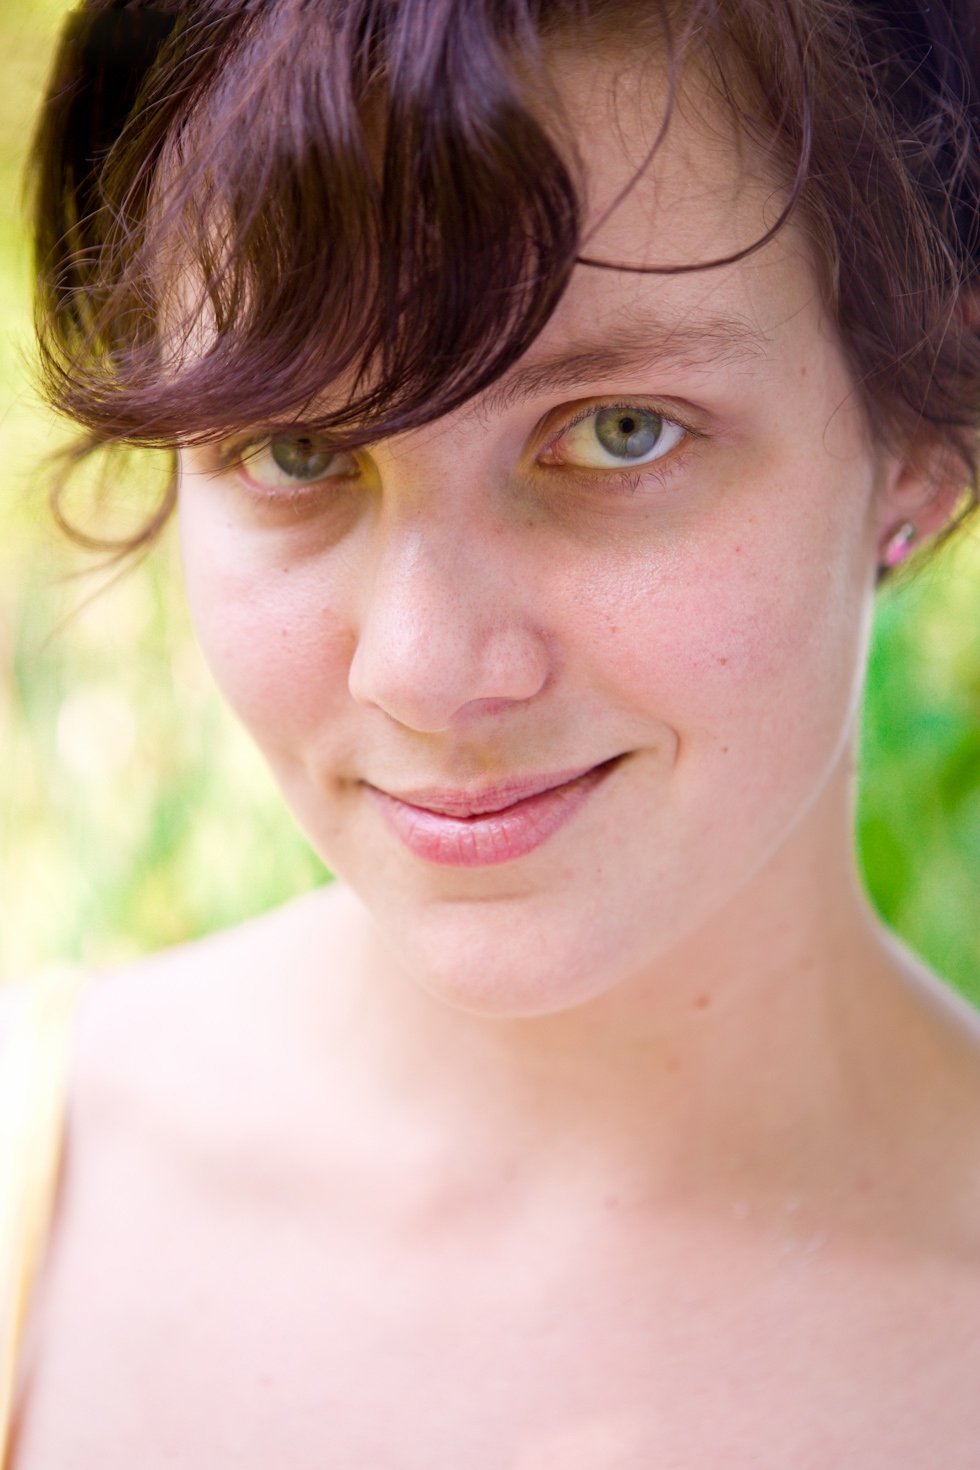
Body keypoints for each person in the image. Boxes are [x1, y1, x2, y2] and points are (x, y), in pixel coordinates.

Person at [2, 0, 979, 1464]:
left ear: (928, 436)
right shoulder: (38, 1195)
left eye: (619, 430)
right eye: (296, 451)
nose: (427, 670)